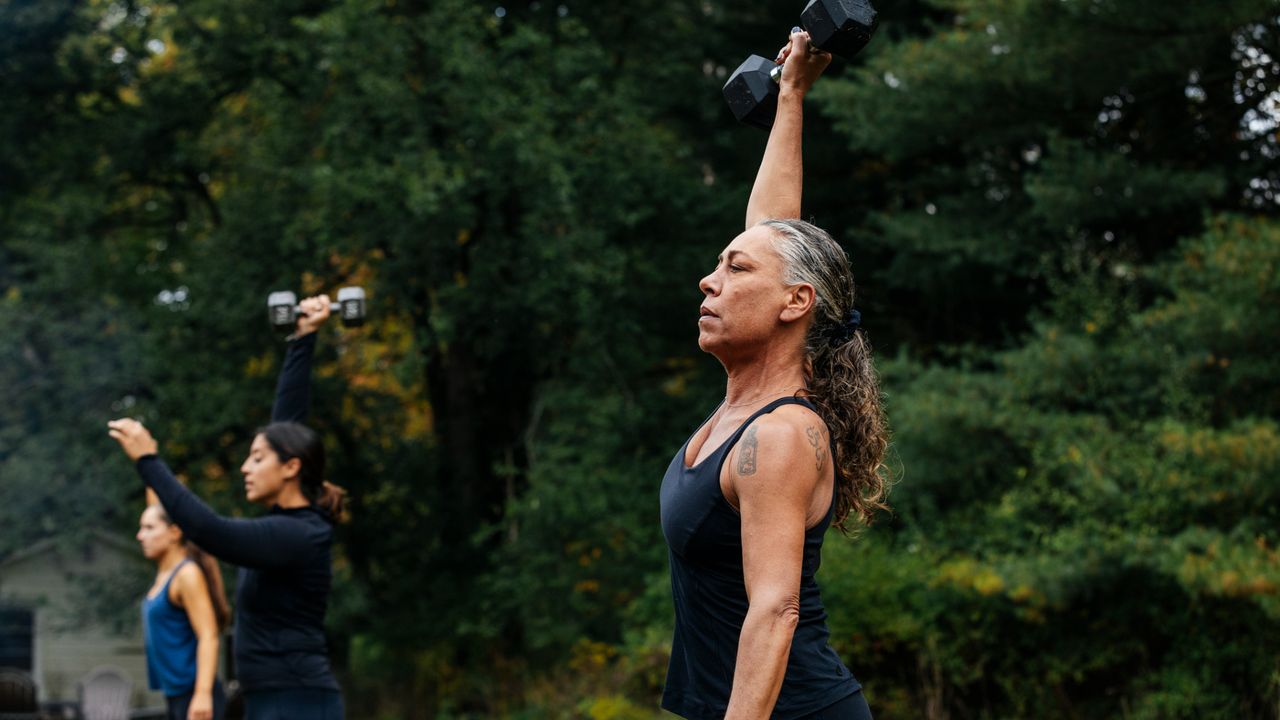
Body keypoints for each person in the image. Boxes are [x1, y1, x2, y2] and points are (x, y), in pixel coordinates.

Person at [658, 29, 890, 720]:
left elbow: (776, 610)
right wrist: (789, 98)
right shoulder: (744, 411)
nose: (708, 280)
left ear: (796, 304)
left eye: (733, 270)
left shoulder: (781, 436)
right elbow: (773, 233)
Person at [110, 295, 347, 720]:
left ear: (291, 468)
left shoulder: (298, 534)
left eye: (257, 458)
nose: (244, 467)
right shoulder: (286, 521)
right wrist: (303, 339)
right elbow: (287, 425)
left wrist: (149, 461)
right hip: (271, 698)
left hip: (298, 701)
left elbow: (209, 530)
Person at [137, 499, 230, 720]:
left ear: (174, 533)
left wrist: (202, 695)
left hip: (195, 696)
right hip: (176, 694)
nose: (140, 536)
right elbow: (156, 500)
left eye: (149, 528)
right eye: (141, 528)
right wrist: (144, 466)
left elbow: (208, 635)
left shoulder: (186, 574)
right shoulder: (165, 573)